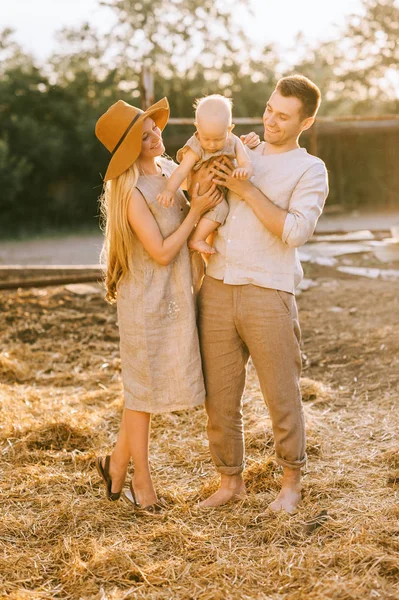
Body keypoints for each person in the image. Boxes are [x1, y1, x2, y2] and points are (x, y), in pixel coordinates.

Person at [198, 75, 329, 513]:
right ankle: (230, 481)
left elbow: (294, 231)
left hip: (268, 290)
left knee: (281, 392)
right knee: (219, 396)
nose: (271, 119)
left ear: (305, 122)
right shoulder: (243, 148)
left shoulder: (310, 169)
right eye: (270, 109)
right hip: (217, 284)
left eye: (283, 116)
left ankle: (291, 482)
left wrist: (246, 189)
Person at [94, 97, 223, 511]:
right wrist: (197, 210)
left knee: (143, 391)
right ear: (128, 148)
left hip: (174, 294)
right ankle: (141, 484)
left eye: (154, 129)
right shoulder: (131, 191)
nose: (156, 138)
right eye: (144, 136)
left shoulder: (169, 170)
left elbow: (207, 162)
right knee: (142, 396)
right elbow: (163, 251)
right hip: (146, 300)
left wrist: (245, 144)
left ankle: (116, 464)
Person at [156, 94, 253, 255]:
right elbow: (181, 171)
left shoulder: (234, 141)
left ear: (229, 130)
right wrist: (169, 190)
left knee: (227, 211)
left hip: (219, 190)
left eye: (218, 139)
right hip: (202, 190)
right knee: (221, 209)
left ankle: (207, 243)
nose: (212, 144)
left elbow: (246, 162)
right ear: (197, 129)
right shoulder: (196, 146)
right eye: (206, 138)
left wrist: (244, 171)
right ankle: (197, 239)